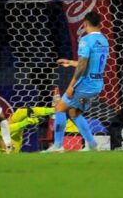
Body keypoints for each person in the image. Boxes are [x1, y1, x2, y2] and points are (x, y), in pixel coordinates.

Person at [44, 11, 109, 153]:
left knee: (60, 108)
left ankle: (57, 146)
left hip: (85, 85)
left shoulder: (86, 40)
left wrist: (71, 86)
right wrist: (70, 62)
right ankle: (92, 144)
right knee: (74, 113)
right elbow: (89, 63)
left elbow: (82, 65)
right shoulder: (104, 40)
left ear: (85, 23)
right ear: (99, 24)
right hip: (97, 84)